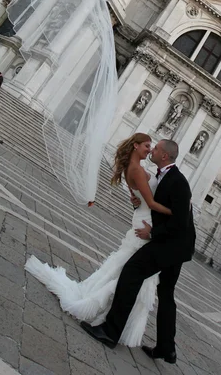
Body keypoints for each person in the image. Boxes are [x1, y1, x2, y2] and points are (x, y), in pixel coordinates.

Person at [25, 133, 174, 347]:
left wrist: (139, 202)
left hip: (143, 220)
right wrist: (174, 213)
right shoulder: (136, 170)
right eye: (147, 145)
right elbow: (150, 202)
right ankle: (106, 315)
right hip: (146, 223)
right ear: (136, 145)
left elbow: (140, 200)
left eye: (152, 146)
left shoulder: (135, 169)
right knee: (127, 273)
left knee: (124, 271)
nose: (150, 149)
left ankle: (111, 317)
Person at [81, 139, 195, 365]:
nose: (152, 150)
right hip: (176, 245)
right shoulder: (166, 176)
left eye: (157, 148)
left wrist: (153, 234)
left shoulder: (178, 182)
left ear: (164, 156)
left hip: (172, 244)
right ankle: (166, 348)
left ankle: (111, 332)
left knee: (132, 271)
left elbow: (181, 221)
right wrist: (138, 202)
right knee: (166, 293)